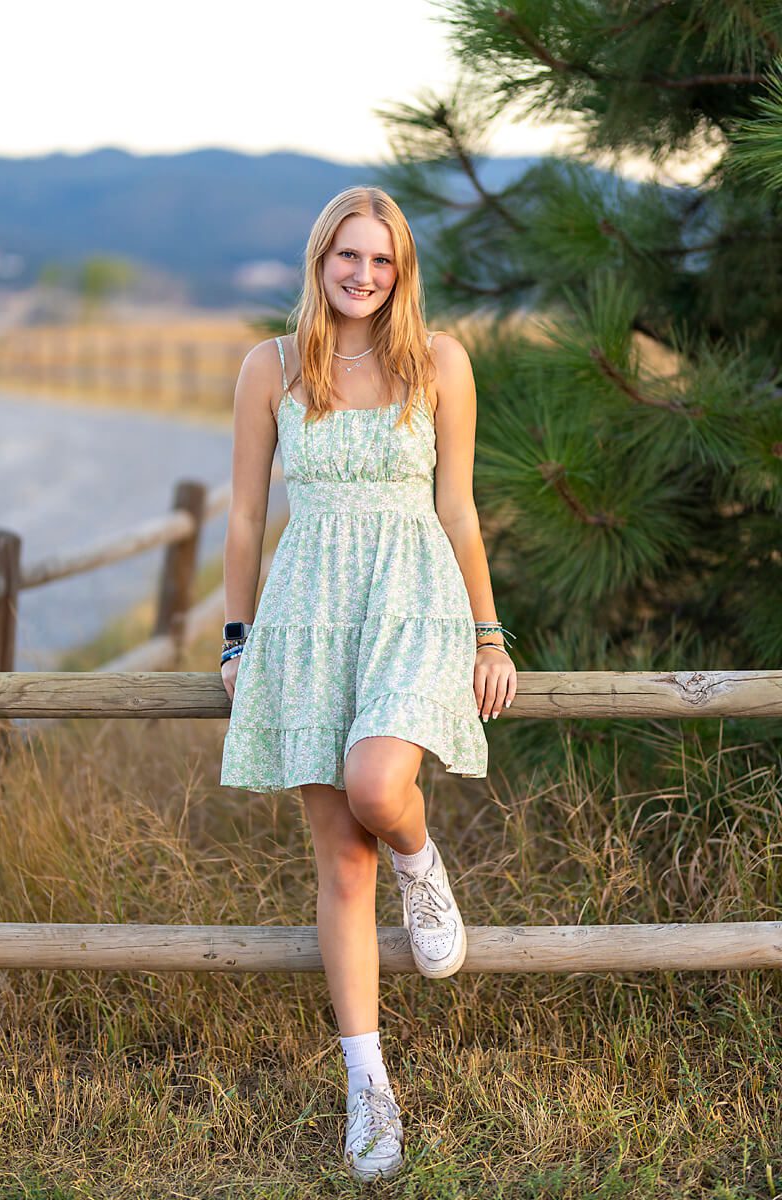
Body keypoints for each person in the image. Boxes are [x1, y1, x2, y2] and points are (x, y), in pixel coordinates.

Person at [219, 185, 518, 1182]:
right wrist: (236, 637)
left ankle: (423, 867)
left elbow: (459, 510)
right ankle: (369, 1091)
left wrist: (488, 633)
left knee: (379, 789)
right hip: (307, 612)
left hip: (411, 600)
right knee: (341, 863)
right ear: (319, 260)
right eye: (348, 256)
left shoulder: (436, 362)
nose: (363, 274)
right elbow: (245, 519)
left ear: (401, 272)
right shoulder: (269, 365)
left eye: (381, 260)